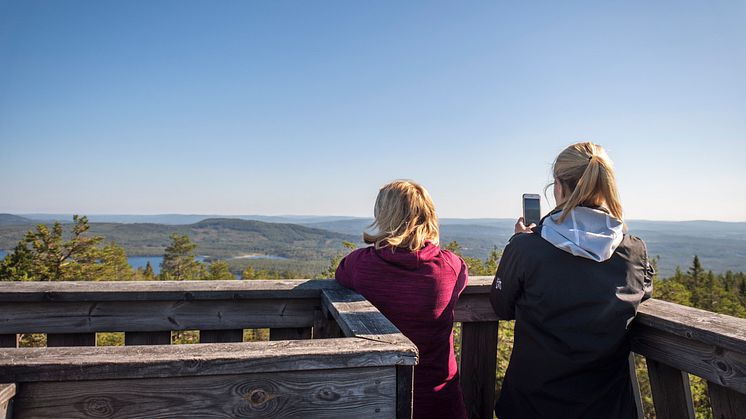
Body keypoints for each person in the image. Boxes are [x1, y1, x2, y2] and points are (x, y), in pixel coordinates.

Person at [490, 142, 653, 419]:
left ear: (559, 186)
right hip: (607, 408)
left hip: (532, 405)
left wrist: (518, 242)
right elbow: (644, 291)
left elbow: (501, 306)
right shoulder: (633, 251)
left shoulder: (527, 249)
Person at [335, 180, 468, 419]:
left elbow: (340, 274)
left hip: (377, 398)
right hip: (438, 398)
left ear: (383, 216)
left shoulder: (359, 265)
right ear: (428, 215)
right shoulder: (450, 266)